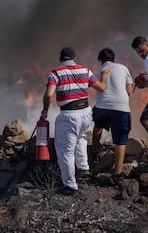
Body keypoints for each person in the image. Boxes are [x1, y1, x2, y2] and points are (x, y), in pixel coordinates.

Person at [41, 47, 112, 195]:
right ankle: (84, 169)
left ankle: (70, 185)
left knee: (65, 149)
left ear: (61, 59)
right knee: (81, 139)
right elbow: (101, 87)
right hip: (86, 112)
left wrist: (45, 110)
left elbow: (49, 95)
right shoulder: (85, 70)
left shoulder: (55, 73)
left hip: (68, 114)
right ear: (74, 59)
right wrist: (104, 76)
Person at [91, 48, 133, 185]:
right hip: (121, 109)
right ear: (114, 58)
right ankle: (117, 174)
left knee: (97, 126)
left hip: (102, 108)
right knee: (120, 140)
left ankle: (94, 150)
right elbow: (129, 92)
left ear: (100, 60)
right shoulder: (123, 68)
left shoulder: (98, 71)